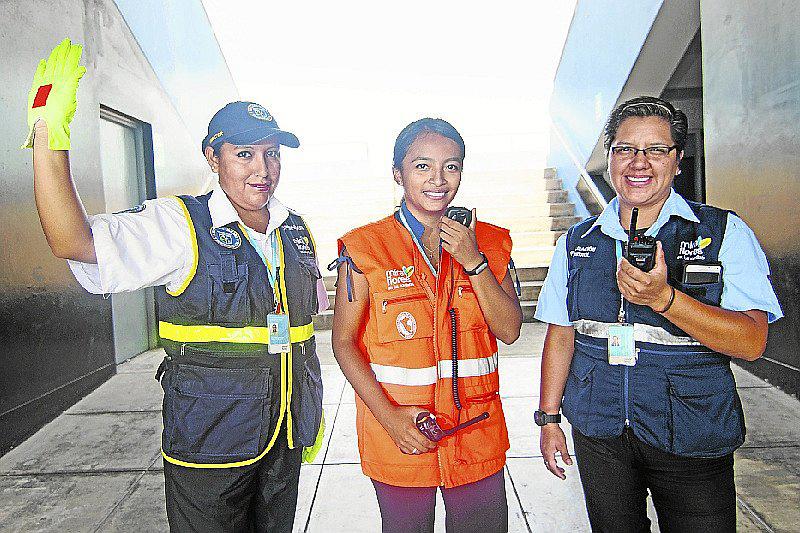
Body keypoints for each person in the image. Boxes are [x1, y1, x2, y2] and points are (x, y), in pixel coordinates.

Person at [25, 38, 328, 532]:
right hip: (210, 444)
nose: (262, 170)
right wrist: (48, 135)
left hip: (284, 437)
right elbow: (72, 240)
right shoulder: (179, 225)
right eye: (244, 153)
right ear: (213, 156)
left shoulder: (295, 229)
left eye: (272, 154)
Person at [535, 96, 783, 532]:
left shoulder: (724, 233)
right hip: (601, 432)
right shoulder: (576, 243)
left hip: (692, 432)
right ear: (609, 157)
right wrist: (550, 418)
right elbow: (561, 333)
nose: (639, 163)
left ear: (678, 161)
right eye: (625, 149)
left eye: (655, 150)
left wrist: (665, 299)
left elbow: (751, 341)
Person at [330, 118, 523, 532]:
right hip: (400, 433)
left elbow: (509, 330)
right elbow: (343, 343)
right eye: (422, 166)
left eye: (451, 166)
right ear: (398, 173)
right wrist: (390, 418)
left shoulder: (490, 242)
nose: (438, 179)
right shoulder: (365, 247)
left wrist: (474, 262)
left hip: (475, 434)